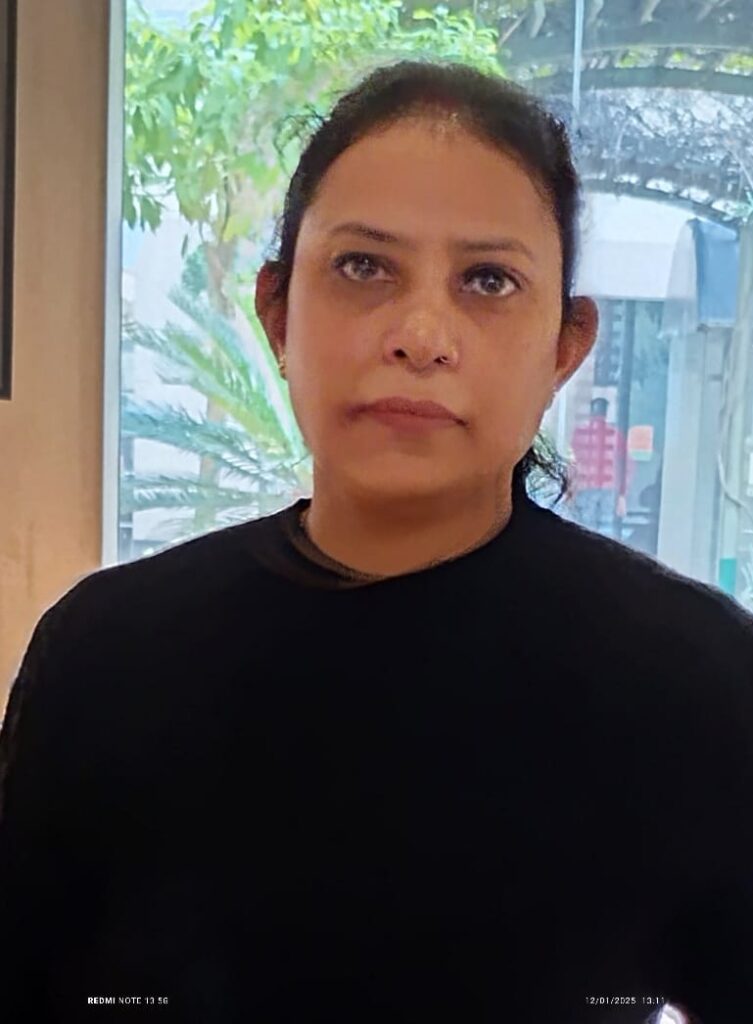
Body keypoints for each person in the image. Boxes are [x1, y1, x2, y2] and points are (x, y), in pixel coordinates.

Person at [1, 60, 752, 1024]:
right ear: (278, 312)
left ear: (565, 346)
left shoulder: (697, 686)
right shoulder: (102, 658)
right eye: (363, 267)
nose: (421, 332)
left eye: (488, 279)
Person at [569, 397, 635, 535]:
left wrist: (570, 488)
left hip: (585, 488)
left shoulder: (579, 433)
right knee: (606, 532)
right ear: (606, 412)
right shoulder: (616, 435)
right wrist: (622, 494)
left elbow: (572, 463)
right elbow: (627, 466)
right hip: (609, 490)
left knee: (584, 531)